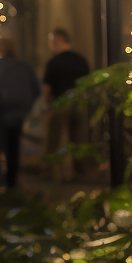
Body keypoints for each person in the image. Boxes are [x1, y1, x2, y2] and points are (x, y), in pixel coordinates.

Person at [0, 38, 40, 189]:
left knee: (0, 148)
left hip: (2, 115)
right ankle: (12, 180)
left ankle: (0, 182)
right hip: (19, 115)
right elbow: (36, 90)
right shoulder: (24, 67)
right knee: (14, 148)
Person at [42, 28, 91, 181]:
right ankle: (80, 172)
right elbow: (88, 84)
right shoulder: (81, 60)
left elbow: (47, 88)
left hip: (60, 103)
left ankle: (51, 171)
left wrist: (46, 107)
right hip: (79, 103)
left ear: (59, 40)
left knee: (54, 140)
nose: (51, 45)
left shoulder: (53, 62)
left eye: (52, 41)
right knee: (78, 139)